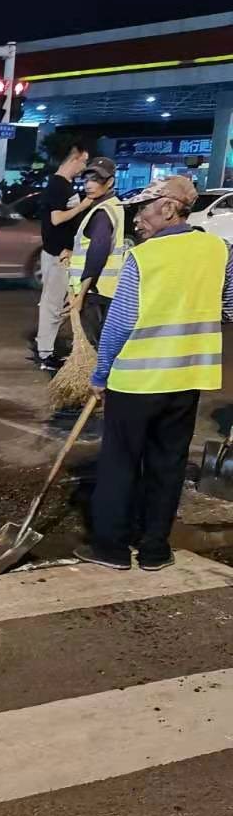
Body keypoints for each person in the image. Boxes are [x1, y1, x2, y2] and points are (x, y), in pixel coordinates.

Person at [76, 175, 233, 572]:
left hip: (137, 380)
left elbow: (120, 324)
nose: (137, 219)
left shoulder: (144, 257)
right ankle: (154, 550)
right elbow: (229, 308)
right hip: (188, 380)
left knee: (120, 462)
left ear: (168, 208)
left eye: (143, 210)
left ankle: (111, 547)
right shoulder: (220, 250)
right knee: (168, 464)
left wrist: (100, 373)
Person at [34, 144, 90, 372]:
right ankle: (46, 355)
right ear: (74, 158)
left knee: (57, 303)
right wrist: (84, 205)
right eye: (84, 161)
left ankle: (48, 350)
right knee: (52, 304)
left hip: (62, 254)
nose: (84, 167)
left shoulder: (63, 185)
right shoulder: (58, 186)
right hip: (58, 255)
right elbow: (56, 219)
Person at [68, 156, 126, 350]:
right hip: (106, 290)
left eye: (96, 180)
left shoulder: (102, 213)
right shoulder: (114, 205)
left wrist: (80, 296)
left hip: (95, 292)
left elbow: (97, 255)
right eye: (86, 180)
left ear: (110, 182)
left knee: (93, 347)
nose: (89, 185)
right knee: (103, 345)